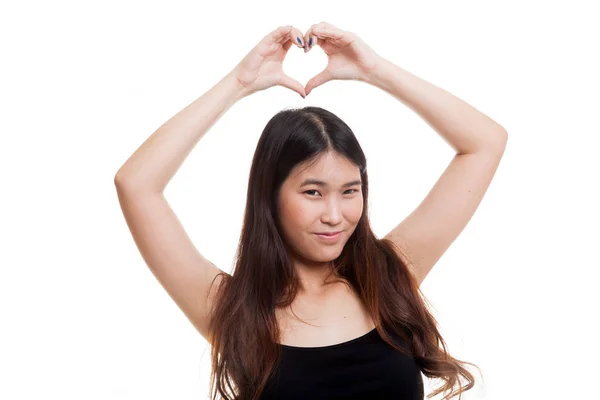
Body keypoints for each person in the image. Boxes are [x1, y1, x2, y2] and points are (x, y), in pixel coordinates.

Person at [115, 22, 506, 400]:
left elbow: (485, 142)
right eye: (313, 192)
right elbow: (136, 185)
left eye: (350, 191)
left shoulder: (389, 275)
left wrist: (374, 71)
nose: (335, 215)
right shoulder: (235, 308)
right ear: (270, 197)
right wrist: (238, 84)